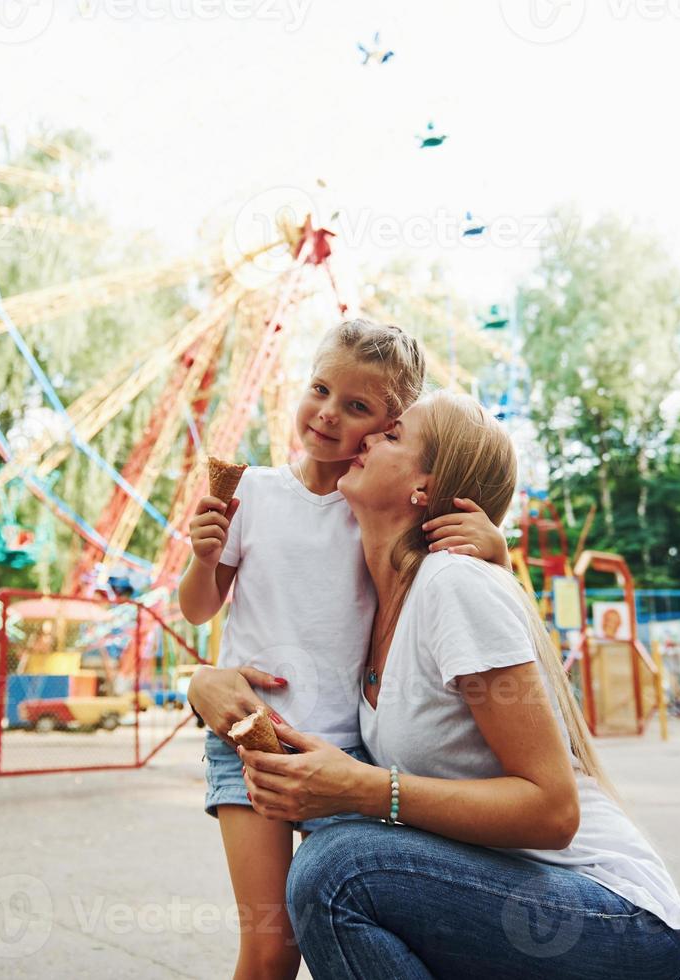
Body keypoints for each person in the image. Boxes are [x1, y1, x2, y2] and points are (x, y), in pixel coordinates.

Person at [238, 393, 680, 979]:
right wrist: (209, 682)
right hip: (502, 900)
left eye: (392, 434)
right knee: (338, 856)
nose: (365, 437)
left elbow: (554, 811)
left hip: (616, 922)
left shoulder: (452, 584)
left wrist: (364, 789)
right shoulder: (370, 606)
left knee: (338, 870)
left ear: (424, 488)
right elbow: (261, 628)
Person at [179, 320, 510, 980]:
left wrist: (495, 548)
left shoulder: (377, 506)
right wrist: (204, 556)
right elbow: (199, 607)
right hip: (251, 731)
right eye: (320, 389)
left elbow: (455, 587)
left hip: (346, 749)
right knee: (271, 946)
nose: (328, 414)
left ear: (390, 428)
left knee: (334, 918)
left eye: (358, 407)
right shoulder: (254, 494)